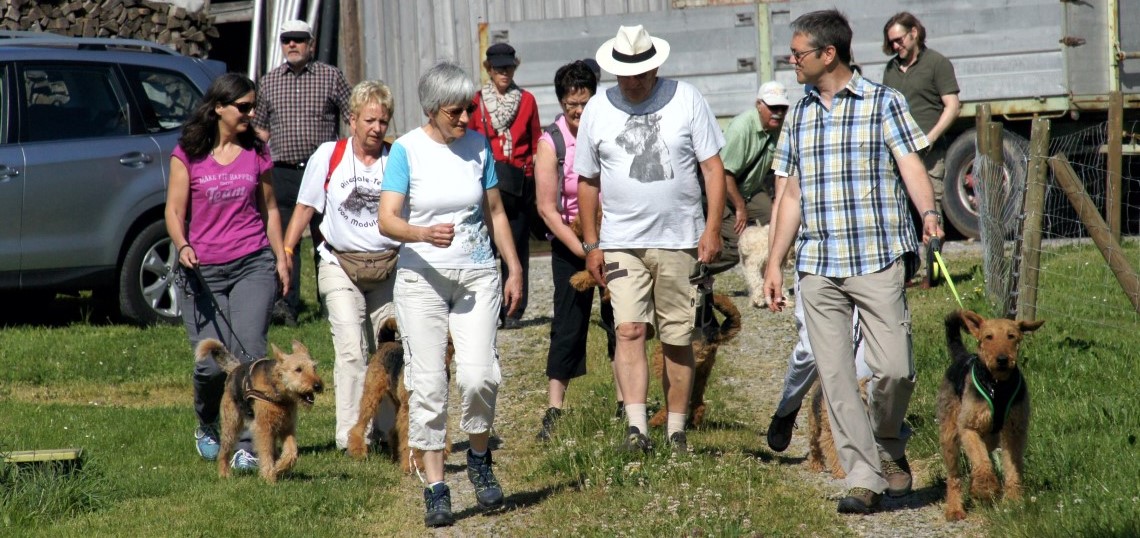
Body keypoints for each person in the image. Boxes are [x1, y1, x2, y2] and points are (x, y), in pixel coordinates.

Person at [762, 9, 944, 514]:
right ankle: (863, 477)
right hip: (818, 263)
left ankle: (887, 444)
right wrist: (775, 261)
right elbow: (792, 192)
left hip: (877, 256)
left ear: (828, 54)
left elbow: (911, 163)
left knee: (895, 368)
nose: (791, 61)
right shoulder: (798, 113)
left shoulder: (884, 102)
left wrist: (928, 211)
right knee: (838, 376)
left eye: (798, 53)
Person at [378, 60, 522, 528]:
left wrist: (514, 266)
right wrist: (421, 233)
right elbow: (388, 219)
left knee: (481, 376)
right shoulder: (406, 150)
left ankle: (479, 458)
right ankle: (437, 487)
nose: (466, 120)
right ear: (433, 109)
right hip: (422, 280)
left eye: (469, 110)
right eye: (456, 112)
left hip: (478, 275)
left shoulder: (479, 146)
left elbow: (496, 212)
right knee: (430, 386)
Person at [576, 25, 727, 454]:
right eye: (625, 73)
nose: (633, 80)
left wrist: (711, 228)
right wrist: (591, 244)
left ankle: (676, 429)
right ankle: (637, 428)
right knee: (628, 330)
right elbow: (587, 181)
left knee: (677, 337)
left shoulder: (687, 98)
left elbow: (713, 169)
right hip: (622, 240)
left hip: (679, 238)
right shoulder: (598, 109)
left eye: (642, 72)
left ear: (656, 65)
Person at [165, 73, 288, 473]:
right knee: (209, 364)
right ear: (219, 107)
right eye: (244, 107)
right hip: (204, 271)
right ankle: (206, 421)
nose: (251, 114)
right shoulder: (188, 152)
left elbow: (270, 208)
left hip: (253, 262)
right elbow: (173, 211)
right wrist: (183, 244)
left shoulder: (257, 150)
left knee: (251, 354)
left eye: (254, 107)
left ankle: (249, 444)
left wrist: (281, 256)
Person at [281, 80, 400, 451]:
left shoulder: (396, 158)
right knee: (351, 348)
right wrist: (286, 251)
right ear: (352, 119)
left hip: (388, 267)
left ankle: (386, 432)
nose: (377, 128)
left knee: (391, 351)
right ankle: (351, 436)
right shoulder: (329, 156)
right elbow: (305, 208)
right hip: (339, 264)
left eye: (383, 121)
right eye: (370, 120)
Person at [532, 60, 620, 441]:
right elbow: (547, 209)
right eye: (571, 105)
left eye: (585, 103)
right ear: (561, 103)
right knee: (568, 326)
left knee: (622, 320)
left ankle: (625, 403)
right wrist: (585, 249)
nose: (579, 112)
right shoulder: (551, 143)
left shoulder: (610, 131)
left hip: (614, 235)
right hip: (572, 242)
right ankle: (554, 410)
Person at [252, 19, 351, 326]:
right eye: (286, 40)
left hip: (322, 172)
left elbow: (353, 115)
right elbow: (261, 129)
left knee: (327, 238)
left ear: (311, 43)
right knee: (284, 242)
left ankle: (332, 301)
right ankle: (286, 304)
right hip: (282, 172)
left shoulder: (331, 76)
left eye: (298, 39)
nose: (292, 44)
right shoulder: (269, 82)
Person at [881, 12, 960, 287]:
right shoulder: (890, 69)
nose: (895, 46)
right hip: (899, 156)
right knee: (898, 212)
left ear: (914, 33)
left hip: (929, 155)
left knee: (932, 213)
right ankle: (902, 273)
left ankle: (933, 275)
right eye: (891, 42)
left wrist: (931, 137)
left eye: (899, 39)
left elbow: (952, 106)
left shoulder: (937, 63)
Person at [468, 43, 542, 329]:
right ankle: (487, 308)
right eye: (498, 68)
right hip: (486, 184)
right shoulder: (476, 102)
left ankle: (514, 310)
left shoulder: (527, 101)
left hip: (519, 184)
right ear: (489, 70)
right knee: (485, 248)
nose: (504, 73)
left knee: (518, 246)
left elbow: (535, 141)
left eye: (509, 67)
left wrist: (535, 178)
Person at [705, 80, 788, 276]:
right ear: (759, 105)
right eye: (773, 107)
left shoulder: (782, 128)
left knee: (780, 225)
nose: (778, 112)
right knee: (736, 244)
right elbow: (724, 174)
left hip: (751, 189)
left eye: (782, 108)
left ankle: (770, 275)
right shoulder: (741, 128)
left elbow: (781, 168)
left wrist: (779, 198)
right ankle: (699, 270)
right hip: (724, 189)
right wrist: (740, 207)